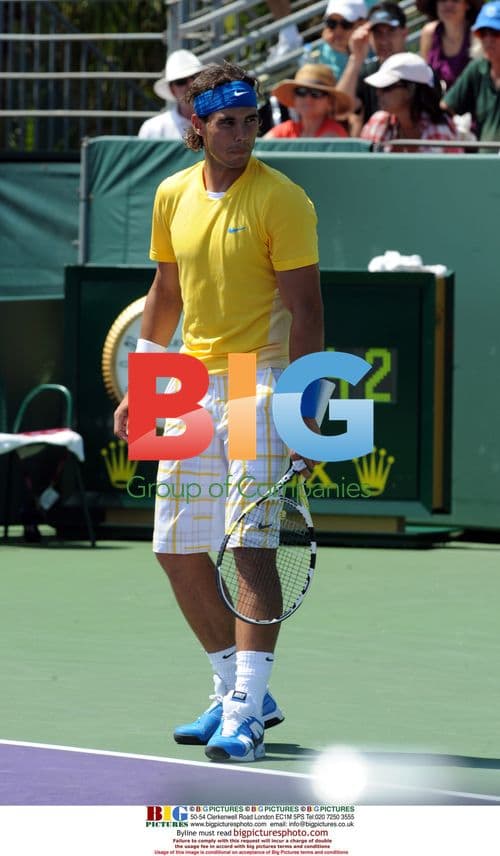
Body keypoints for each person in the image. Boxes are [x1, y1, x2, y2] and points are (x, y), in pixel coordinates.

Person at [114, 61, 324, 763]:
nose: (242, 136)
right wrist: (147, 381)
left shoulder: (284, 199)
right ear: (197, 126)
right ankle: (234, 687)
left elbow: (307, 311)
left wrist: (301, 408)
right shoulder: (172, 194)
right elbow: (166, 291)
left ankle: (246, 712)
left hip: (257, 380)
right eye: (227, 124)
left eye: (251, 121)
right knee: (174, 548)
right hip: (192, 382)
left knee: (248, 546)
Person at [360, 52, 461, 151]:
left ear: (411, 89)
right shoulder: (377, 122)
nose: (378, 92)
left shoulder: (440, 131)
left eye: (386, 87)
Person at [336, 2, 409, 133]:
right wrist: (356, 58)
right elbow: (340, 110)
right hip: (375, 150)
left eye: (390, 31)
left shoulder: (421, 72)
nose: (384, 40)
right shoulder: (366, 73)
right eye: (377, 33)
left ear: (404, 33)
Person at [443, 0, 500, 142]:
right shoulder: (478, 68)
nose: (488, 39)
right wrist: (457, 130)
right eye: (482, 33)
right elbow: (446, 107)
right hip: (481, 162)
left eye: (495, 32)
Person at [264, 63, 354, 138]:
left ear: (329, 101)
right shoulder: (285, 130)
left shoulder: (333, 133)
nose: (308, 98)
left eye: (316, 93)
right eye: (301, 91)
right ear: (294, 98)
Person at [137, 49, 205, 140]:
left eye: (195, 77)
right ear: (172, 89)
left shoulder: (219, 123)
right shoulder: (153, 129)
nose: (191, 84)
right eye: (181, 81)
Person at [417, 0, 482, 91]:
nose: (448, 4)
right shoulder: (429, 33)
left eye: (455, 0)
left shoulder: (478, 34)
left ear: (467, 5)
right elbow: (424, 76)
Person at [302, 0, 368, 81]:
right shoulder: (322, 50)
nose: (338, 31)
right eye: (332, 23)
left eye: (346, 24)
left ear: (362, 23)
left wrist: (349, 54)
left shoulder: (377, 46)